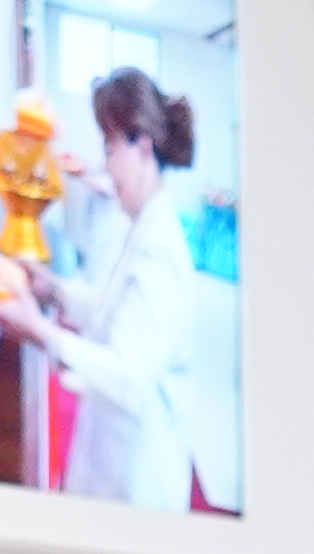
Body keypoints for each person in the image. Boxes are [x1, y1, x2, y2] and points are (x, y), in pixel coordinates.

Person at [25, 68, 206, 511]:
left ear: (142, 146)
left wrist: (43, 332)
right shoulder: (142, 227)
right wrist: (54, 292)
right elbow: (113, 311)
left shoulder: (161, 249)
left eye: (110, 148)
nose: (105, 165)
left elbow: (129, 377)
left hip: (139, 478)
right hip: (110, 453)